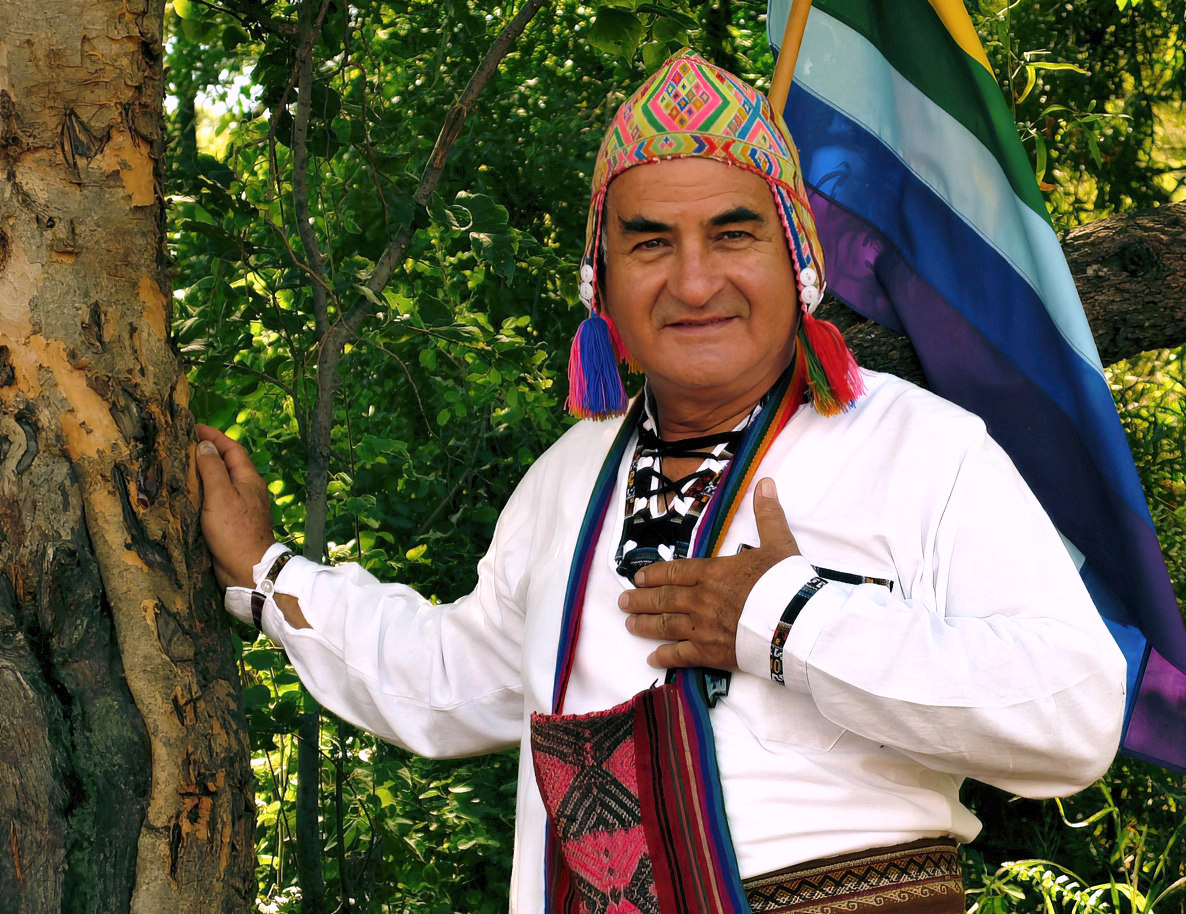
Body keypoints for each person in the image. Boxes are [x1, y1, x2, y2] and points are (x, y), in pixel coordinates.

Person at [195, 52, 1126, 914]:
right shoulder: (566, 479)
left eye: (732, 234)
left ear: (798, 259)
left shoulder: (923, 449)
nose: (693, 282)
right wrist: (269, 573)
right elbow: (451, 679)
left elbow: (1076, 716)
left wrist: (788, 621)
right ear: (601, 279)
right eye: (650, 243)